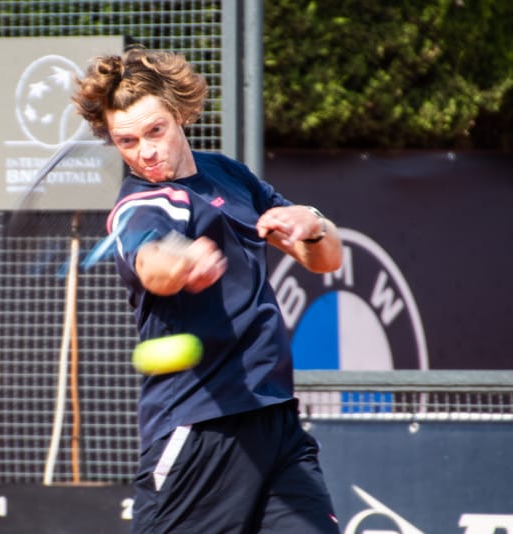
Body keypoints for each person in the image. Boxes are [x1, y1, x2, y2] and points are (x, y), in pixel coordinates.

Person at [73, 46, 343, 533]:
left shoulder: (227, 174)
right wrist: (180, 264)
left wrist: (313, 223)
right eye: (126, 141)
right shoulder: (141, 205)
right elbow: (150, 262)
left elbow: (326, 260)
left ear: (179, 114)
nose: (145, 152)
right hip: (199, 429)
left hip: (275, 418)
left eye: (155, 131)